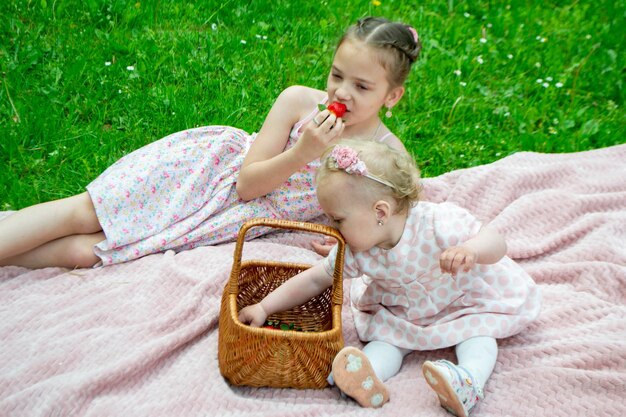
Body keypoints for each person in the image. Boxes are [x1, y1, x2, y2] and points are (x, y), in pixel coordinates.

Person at [0, 17, 421, 269]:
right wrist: (303, 153)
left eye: (362, 86)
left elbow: (389, 223)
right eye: (336, 75)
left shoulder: (389, 156)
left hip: (239, 222)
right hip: (207, 176)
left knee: (98, 251)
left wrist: (345, 237)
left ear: (392, 96)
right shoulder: (298, 102)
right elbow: (247, 184)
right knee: (87, 213)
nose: (341, 93)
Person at [238, 139, 541, 417]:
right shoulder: (358, 251)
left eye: (338, 219)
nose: (332, 228)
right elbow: (315, 279)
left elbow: (496, 241)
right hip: (404, 311)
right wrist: (265, 307)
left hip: (461, 302)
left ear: (380, 212)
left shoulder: (438, 222)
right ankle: (364, 376)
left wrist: (471, 250)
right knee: (387, 340)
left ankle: (469, 381)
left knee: (479, 336)